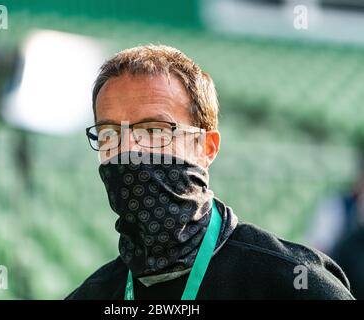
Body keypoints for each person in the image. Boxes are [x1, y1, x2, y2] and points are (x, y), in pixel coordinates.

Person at [66, 45, 354, 300]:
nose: (127, 149)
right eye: (110, 134)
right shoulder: (93, 293)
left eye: (154, 131)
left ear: (207, 148)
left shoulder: (294, 283)